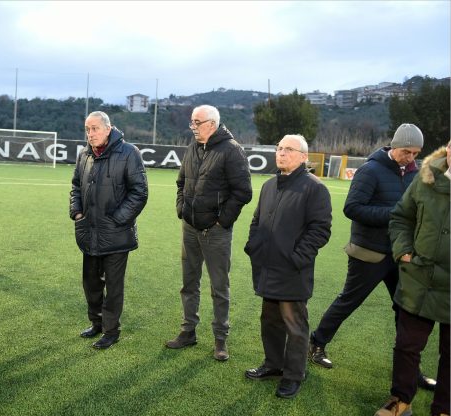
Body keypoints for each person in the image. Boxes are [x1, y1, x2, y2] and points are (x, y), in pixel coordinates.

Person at [308, 123, 435, 390]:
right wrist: (395, 213)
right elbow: (352, 208)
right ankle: (316, 343)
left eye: (416, 153)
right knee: (349, 301)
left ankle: (410, 369)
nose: (411, 158)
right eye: (407, 152)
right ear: (394, 146)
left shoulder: (418, 173)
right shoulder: (370, 170)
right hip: (369, 252)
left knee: (407, 311)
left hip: (403, 255)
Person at [244, 134, 332, 399]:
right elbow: (257, 220)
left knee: (295, 325)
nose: (281, 153)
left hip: (292, 270)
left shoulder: (314, 188)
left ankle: (294, 375)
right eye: (279, 148)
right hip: (267, 266)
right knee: (270, 320)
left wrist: (296, 258)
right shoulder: (269, 185)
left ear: (303, 157)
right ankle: (273, 365)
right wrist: (254, 246)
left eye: (288, 149)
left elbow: (320, 230)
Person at [166, 105, 252, 361]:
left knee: (219, 287)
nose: (193, 127)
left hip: (216, 232)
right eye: (192, 122)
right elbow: (181, 182)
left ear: (212, 124)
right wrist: (182, 209)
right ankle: (188, 332)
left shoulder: (232, 150)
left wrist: (221, 221)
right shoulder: (193, 147)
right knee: (189, 283)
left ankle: (220, 339)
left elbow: (243, 192)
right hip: (190, 228)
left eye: (197, 122)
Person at [374, 141, 450, 416]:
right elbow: (401, 217)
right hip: (419, 278)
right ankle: (401, 400)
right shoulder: (425, 178)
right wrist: (404, 252)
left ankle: (444, 409)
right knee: (407, 345)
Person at [69, 111, 148, 350]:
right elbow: (75, 186)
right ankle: (97, 323)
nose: (90, 134)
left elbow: (139, 193)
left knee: (113, 287)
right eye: (87, 129)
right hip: (89, 232)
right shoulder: (84, 155)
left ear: (108, 128)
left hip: (116, 234)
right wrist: (77, 212)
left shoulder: (129, 153)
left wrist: (117, 220)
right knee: (91, 283)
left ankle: (111, 331)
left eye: (94, 128)